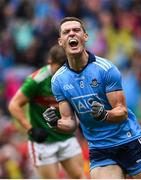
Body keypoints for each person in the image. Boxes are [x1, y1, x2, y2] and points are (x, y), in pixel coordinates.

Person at [43, 17, 141, 179]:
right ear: (61, 41)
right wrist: (55, 123)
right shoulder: (58, 80)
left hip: (128, 141)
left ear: (85, 37)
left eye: (76, 30)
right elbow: (69, 122)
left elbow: (122, 112)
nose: (72, 34)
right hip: (100, 148)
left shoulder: (106, 69)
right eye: (66, 32)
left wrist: (105, 114)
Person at [8, 44, 86, 179]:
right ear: (50, 62)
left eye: (64, 68)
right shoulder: (36, 80)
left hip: (66, 137)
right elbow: (14, 105)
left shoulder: (73, 77)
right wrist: (30, 129)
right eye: (58, 68)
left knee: (80, 177)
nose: (60, 73)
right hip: (43, 141)